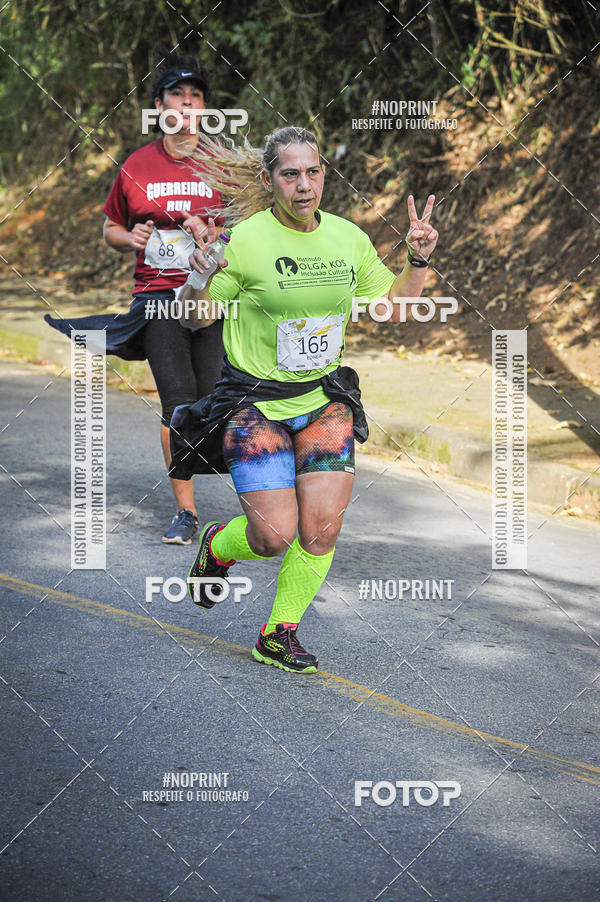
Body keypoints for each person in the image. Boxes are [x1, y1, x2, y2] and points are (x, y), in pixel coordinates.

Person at [171, 126, 438, 672]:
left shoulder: (347, 238)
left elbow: (392, 308)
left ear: (324, 176)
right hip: (254, 403)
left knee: (321, 528)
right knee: (273, 536)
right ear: (270, 180)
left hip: (323, 399)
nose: (303, 184)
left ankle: (277, 633)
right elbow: (193, 316)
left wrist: (416, 261)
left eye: (312, 172)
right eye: (290, 174)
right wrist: (198, 278)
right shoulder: (243, 241)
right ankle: (220, 546)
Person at [45, 55, 225, 544]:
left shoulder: (223, 165)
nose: (186, 104)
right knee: (179, 402)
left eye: (196, 97)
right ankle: (187, 514)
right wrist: (134, 238)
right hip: (158, 299)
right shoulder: (137, 165)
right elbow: (111, 228)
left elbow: (247, 226)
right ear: (160, 106)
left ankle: (259, 506)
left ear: (204, 108)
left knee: (217, 401)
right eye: (176, 96)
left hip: (211, 299)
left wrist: (212, 234)